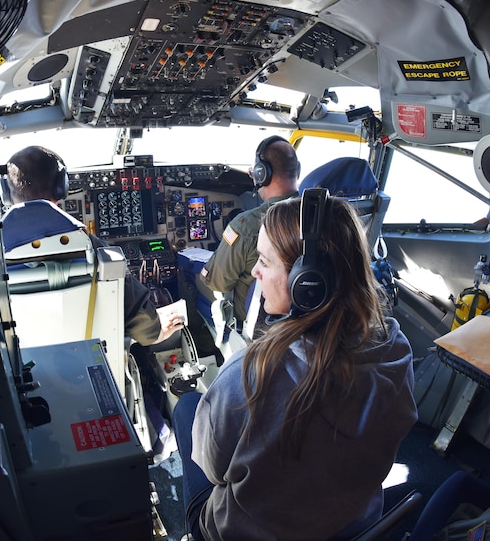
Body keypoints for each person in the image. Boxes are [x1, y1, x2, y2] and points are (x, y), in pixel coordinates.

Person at [173, 192, 418, 540]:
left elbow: (214, 470)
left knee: (186, 408)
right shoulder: (396, 353)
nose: (255, 271)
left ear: (307, 283)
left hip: (243, 534)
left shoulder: (250, 374)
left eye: (264, 261)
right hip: (350, 525)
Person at [2, 145, 183, 346]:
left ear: (6, 193)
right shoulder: (93, 249)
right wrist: (156, 329)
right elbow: (144, 327)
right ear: (61, 186)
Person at [199, 134, 299, 327]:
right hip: (308, 317)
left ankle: (202, 345)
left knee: (196, 280)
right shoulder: (321, 216)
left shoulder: (245, 225)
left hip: (260, 326)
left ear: (262, 174)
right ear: (297, 170)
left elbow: (218, 282)